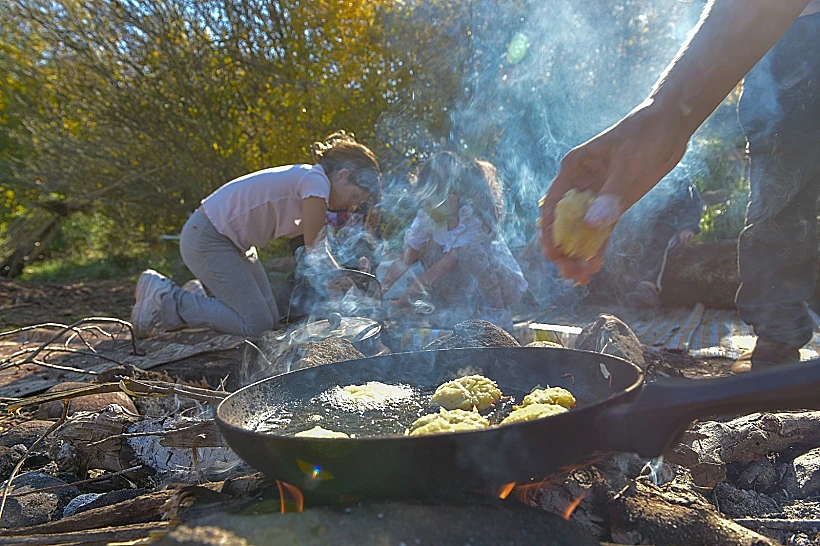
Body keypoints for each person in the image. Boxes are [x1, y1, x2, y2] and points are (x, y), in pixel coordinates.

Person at [539, 0, 820, 371]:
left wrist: (665, 112)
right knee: (779, 181)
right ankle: (779, 338)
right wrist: (665, 114)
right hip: (792, 29)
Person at [130, 131, 381, 338]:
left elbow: (306, 254)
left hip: (236, 245)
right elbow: (316, 249)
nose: (351, 206)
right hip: (207, 238)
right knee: (256, 325)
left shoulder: (312, 183)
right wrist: (349, 284)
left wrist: (337, 289)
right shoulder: (316, 183)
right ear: (343, 175)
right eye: (355, 197)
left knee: (270, 323)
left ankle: (198, 297)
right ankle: (167, 298)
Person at [381, 152, 528, 330]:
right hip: (468, 291)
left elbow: (447, 264)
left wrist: (406, 296)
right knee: (431, 250)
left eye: (430, 200)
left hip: (505, 289)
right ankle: (455, 313)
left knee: (466, 252)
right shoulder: (428, 217)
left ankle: (497, 315)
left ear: (452, 197)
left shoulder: (472, 216)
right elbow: (406, 258)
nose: (426, 206)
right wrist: (379, 292)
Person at [617, 168, 703, 308]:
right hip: (641, 222)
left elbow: (693, 205)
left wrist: (687, 227)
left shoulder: (679, 174)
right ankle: (620, 289)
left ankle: (648, 286)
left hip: (669, 225)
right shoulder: (640, 169)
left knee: (658, 238)